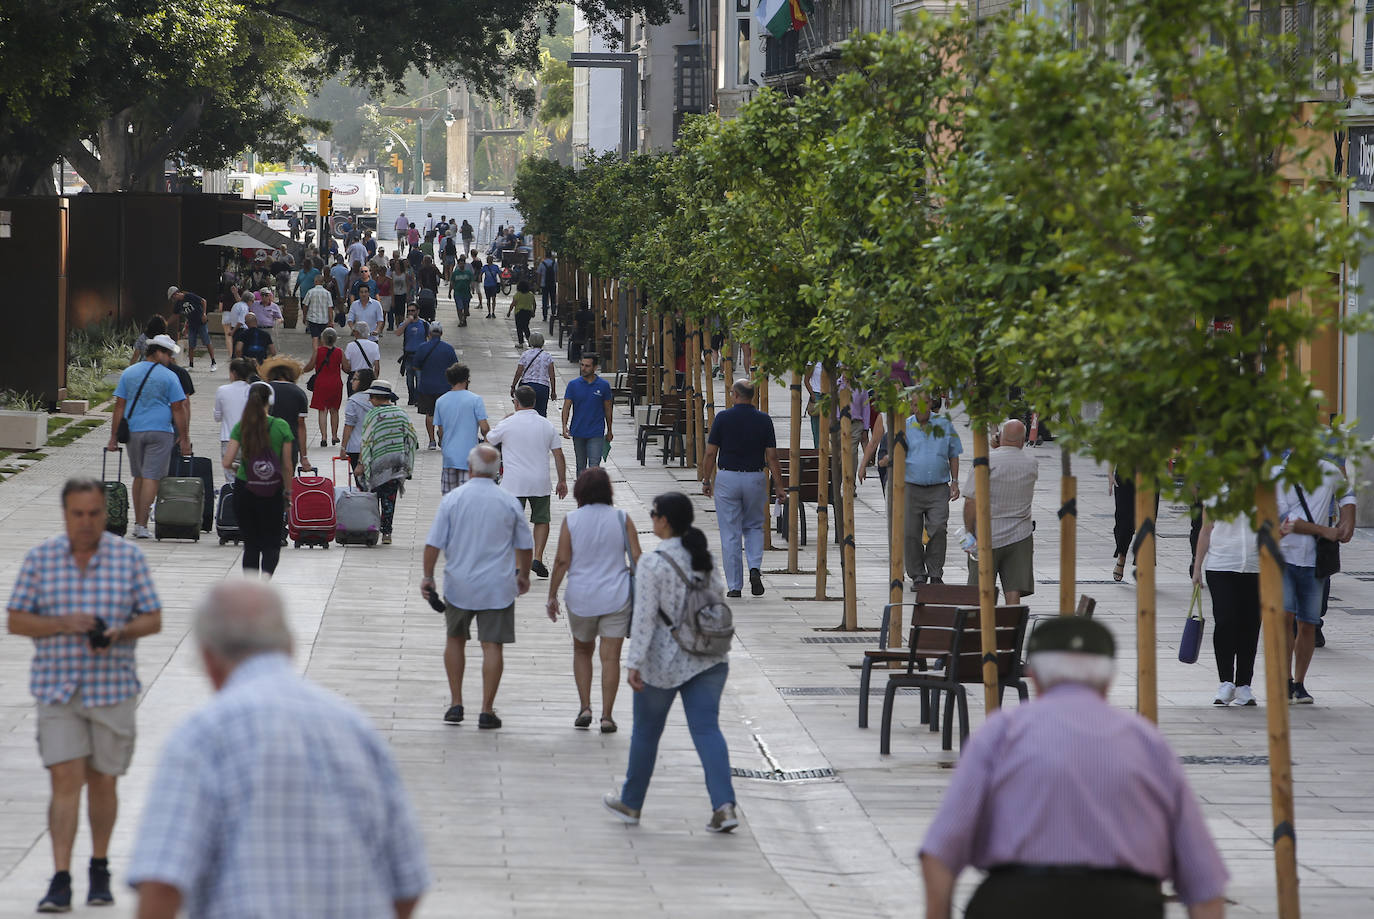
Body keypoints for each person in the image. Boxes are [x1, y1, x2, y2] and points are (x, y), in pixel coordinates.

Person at [127, 581, 430, 919]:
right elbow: (409, 882)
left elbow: (162, 883)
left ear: (209, 658)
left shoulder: (201, 737)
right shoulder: (356, 728)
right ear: (288, 645)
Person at [919, 617, 1228, 919]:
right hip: (1125, 903)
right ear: (1107, 679)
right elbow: (1203, 879)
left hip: (1016, 900)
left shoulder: (1000, 733)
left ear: (1034, 676)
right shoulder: (1147, 742)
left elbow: (940, 851)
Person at [6, 477, 164, 911]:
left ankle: (99, 865)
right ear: (65, 514)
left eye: (94, 513)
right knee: (64, 780)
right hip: (58, 688)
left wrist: (120, 632)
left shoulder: (128, 559)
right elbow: (17, 620)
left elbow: (152, 619)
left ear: (105, 514)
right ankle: (60, 876)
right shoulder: (41, 560)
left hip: (112, 688)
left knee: (103, 781)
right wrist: (62, 623)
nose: (87, 522)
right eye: (78, 514)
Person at [602, 491, 738, 832]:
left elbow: (644, 618)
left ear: (663, 520)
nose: (651, 519)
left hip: (661, 661)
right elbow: (716, 597)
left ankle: (631, 804)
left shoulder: (653, 562)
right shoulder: (703, 557)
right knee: (707, 730)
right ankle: (724, 806)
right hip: (708, 657)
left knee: (646, 733)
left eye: (653, 514)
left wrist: (633, 663)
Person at [423, 444, 533, 728]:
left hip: (460, 584)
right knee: (492, 645)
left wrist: (428, 577)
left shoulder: (453, 500)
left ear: (470, 469)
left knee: (455, 640)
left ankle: (456, 703)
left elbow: (433, 543)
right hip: (498, 585)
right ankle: (486, 709)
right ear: (498, 471)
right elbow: (525, 544)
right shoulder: (508, 501)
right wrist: (522, 575)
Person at [546, 467, 641, 733]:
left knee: (582, 651)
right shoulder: (622, 518)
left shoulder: (571, 520)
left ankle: (585, 707)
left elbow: (562, 560)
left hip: (581, 597)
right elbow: (637, 558)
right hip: (617, 596)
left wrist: (552, 594)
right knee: (610, 658)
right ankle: (607, 716)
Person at [1276, 455, 1355, 704]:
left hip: (1314, 560)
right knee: (1285, 618)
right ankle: (1284, 680)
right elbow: (1287, 522)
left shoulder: (1328, 470)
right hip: (1284, 557)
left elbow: (1348, 494)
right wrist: (1324, 530)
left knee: (1308, 623)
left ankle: (1299, 683)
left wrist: (1348, 520)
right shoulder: (1279, 474)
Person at [700, 380, 786, 598]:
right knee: (755, 526)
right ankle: (754, 567)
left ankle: (735, 586)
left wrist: (706, 480)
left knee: (730, 533)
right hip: (756, 477)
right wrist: (779, 485)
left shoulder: (722, 418)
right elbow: (772, 456)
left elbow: (711, 453)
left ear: (735, 395)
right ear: (753, 396)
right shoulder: (764, 420)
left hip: (728, 477)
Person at [870, 392, 962, 587]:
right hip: (911, 486)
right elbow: (894, 452)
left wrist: (955, 481)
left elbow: (953, 453)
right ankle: (917, 574)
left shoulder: (944, 424)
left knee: (938, 528)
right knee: (910, 533)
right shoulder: (905, 427)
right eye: (915, 404)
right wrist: (887, 461)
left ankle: (935, 571)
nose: (920, 408)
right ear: (910, 407)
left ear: (931, 404)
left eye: (924, 403)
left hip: (938, 486)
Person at [106, 335, 191, 539]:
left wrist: (113, 437)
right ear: (158, 352)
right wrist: (184, 437)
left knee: (139, 476)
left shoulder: (129, 373)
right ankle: (142, 525)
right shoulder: (170, 377)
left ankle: (138, 521)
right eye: (168, 353)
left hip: (133, 431)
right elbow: (178, 409)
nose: (170, 358)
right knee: (152, 476)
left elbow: (119, 406)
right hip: (161, 431)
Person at [487, 385, 568, 579]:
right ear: (534, 402)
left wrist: (504, 420)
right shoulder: (546, 424)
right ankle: (537, 557)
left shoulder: (509, 423)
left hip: (513, 483)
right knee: (541, 519)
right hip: (540, 481)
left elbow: (489, 440)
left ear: (516, 402)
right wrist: (562, 480)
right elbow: (558, 454)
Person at [961, 418, 1039, 604]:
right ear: (1023, 438)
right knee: (1013, 590)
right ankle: (1012, 629)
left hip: (987, 533)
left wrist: (969, 533)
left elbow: (971, 502)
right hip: (1020, 534)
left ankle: (982, 629)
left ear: (1000, 435)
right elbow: (1012, 454)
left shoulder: (985, 461)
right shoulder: (1031, 462)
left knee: (980, 592)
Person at [1192, 501, 1261, 706]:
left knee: (1250, 624)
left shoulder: (1262, 489)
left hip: (1255, 567)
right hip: (1221, 565)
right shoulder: (1216, 490)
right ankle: (1226, 682)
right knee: (1225, 619)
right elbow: (1206, 530)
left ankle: (1244, 684)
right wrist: (1197, 567)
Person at [222, 382, 294, 576]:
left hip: (245, 489)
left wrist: (241, 469)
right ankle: (264, 584)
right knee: (271, 542)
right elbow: (287, 465)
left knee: (251, 544)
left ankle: (252, 590)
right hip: (273, 490)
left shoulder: (242, 426)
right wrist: (288, 493)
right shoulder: (281, 426)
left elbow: (227, 461)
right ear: (270, 401)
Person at [355, 380, 418, 545]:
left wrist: (361, 463)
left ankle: (373, 528)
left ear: (377, 397)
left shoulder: (372, 415)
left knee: (372, 498)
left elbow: (366, 441)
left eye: (371, 397)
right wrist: (406, 460)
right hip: (395, 465)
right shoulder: (402, 414)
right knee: (389, 499)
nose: (369, 400)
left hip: (375, 465)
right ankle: (387, 533)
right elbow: (412, 438)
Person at [434, 364, 490, 495]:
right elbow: (485, 428)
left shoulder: (441, 401)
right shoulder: (475, 400)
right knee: (468, 499)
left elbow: (440, 431)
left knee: (450, 499)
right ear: (466, 379)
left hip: (449, 457)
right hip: (469, 457)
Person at [560, 353, 614, 475]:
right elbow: (566, 407)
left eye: (587, 366)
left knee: (594, 466)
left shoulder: (603, 386)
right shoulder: (573, 385)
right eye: (582, 365)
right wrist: (564, 426)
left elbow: (608, 409)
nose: (583, 368)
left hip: (596, 431)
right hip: (578, 431)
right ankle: (582, 492)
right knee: (580, 465)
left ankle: (592, 492)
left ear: (595, 367)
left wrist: (610, 430)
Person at [410, 322, 459, 451]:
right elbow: (455, 366)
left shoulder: (422, 347)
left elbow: (415, 365)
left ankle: (431, 441)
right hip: (445, 387)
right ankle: (442, 439)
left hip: (426, 386)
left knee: (430, 413)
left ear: (429, 334)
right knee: (443, 415)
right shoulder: (448, 348)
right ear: (441, 333)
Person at [260, 356, 312, 473]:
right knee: (286, 483)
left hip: (265, 444)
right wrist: (304, 457)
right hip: (290, 445)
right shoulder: (299, 393)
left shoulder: (264, 390)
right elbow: (301, 427)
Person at [303, 326, 346, 447]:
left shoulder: (318, 351)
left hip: (321, 383)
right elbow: (347, 367)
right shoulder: (339, 352)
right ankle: (334, 436)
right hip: (336, 383)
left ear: (323, 339)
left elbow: (310, 366)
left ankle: (323, 437)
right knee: (334, 410)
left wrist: (301, 370)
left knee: (323, 410)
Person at [213, 359, 254, 485]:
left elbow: (217, 416)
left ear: (233, 373)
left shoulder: (222, 390)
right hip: (250, 439)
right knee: (249, 475)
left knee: (231, 478)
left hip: (228, 439)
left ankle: (232, 500)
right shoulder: (253, 390)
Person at [168, 286, 217, 371]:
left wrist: (204, 314)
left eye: (173, 297)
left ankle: (213, 362)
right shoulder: (178, 304)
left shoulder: (189, 296)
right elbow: (175, 315)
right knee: (191, 344)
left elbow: (203, 301)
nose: (173, 299)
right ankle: (191, 365)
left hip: (201, 322)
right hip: (191, 324)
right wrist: (166, 323)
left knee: (207, 342)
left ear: (176, 294)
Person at [510, 331, 557, 417]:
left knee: (524, 412)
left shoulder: (525, 354)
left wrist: (513, 386)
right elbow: (552, 375)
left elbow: (519, 372)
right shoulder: (547, 356)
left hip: (526, 386)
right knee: (541, 413)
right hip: (542, 387)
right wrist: (553, 391)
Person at [338, 369, 375, 470]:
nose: (351, 381)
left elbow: (349, 425)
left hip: (356, 447)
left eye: (355, 379)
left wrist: (343, 447)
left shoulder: (353, 401)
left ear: (363, 381)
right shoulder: (378, 399)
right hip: (375, 446)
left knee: (360, 482)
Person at [394, 305, 430, 404]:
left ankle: (418, 399)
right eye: (409, 311)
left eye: (413, 311)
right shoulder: (405, 324)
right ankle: (411, 397)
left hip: (420, 356)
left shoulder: (424, 324)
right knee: (409, 379)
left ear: (418, 311)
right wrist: (406, 323)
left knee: (419, 379)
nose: (411, 313)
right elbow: (397, 333)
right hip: (408, 356)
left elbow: (430, 337)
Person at [302, 267, 334, 350]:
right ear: (322, 282)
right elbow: (330, 308)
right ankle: (322, 353)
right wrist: (331, 320)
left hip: (313, 319)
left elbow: (305, 305)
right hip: (324, 320)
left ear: (315, 282)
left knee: (315, 337)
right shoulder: (327, 293)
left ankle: (316, 353)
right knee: (322, 338)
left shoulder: (310, 292)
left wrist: (304, 316)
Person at [343, 321, 382, 386]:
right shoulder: (374, 346)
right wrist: (374, 380)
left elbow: (346, 366)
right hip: (368, 377)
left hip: (354, 376)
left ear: (357, 333)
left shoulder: (350, 346)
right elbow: (377, 367)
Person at [507, 280, 537, 347]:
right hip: (528, 313)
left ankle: (521, 343)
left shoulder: (518, 294)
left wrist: (509, 312)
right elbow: (534, 304)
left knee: (519, 328)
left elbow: (513, 304)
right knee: (526, 326)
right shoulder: (531, 294)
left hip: (519, 313)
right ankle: (529, 341)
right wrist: (533, 312)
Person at [223, 287, 251, 358]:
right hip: (240, 329)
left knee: (235, 347)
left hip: (234, 328)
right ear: (249, 300)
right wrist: (233, 331)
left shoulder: (236, 305)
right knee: (240, 349)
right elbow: (241, 321)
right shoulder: (244, 307)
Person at [450, 256, 473, 326]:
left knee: (466, 309)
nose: (461, 265)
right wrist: (449, 292)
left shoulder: (468, 273)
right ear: (458, 264)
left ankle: (464, 319)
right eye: (460, 264)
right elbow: (452, 282)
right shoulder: (455, 273)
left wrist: (472, 288)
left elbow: (472, 281)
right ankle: (460, 320)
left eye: (463, 264)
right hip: (458, 293)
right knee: (459, 308)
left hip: (466, 293)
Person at [537, 252, 557, 320]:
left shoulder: (542, 264)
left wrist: (538, 284)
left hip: (544, 284)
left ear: (545, 256)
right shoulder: (555, 263)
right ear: (551, 256)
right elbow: (556, 273)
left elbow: (539, 274)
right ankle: (553, 313)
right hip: (552, 284)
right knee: (553, 299)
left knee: (544, 300)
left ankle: (545, 316)